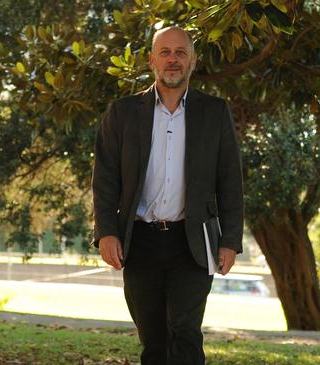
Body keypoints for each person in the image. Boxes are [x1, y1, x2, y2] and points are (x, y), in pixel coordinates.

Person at [92, 26, 244, 365]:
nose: (172, 60)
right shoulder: (122, 113)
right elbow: (105, 180)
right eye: (165, 52)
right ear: (151, 60)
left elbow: (230, 180)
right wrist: (107, 232)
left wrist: (230, 240)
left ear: (192, 61)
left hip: (192, 241)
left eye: (180, 53)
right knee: (154, 339)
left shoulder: (214, 112)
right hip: (140, 241)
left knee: (186, 332)